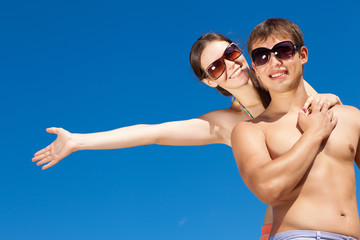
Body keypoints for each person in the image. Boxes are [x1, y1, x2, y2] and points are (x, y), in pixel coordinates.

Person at [32, 32, 340, 240]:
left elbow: (329, 109)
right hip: (284, 225)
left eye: (231, 53)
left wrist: (331, 97)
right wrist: (79, 141)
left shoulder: (281, 80)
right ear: (208, 82)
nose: (230, 65)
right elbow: (152, 133)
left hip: (335, 217)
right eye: (216, 67)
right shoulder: (224, 123)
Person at [232, 18, 359, 240]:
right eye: (262, 56)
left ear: (302, 55)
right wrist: (314, 133)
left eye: (283, 51)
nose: (274, 62)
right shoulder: (251, 130)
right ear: (255, 68)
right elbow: (268, 188)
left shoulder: (349, 116)